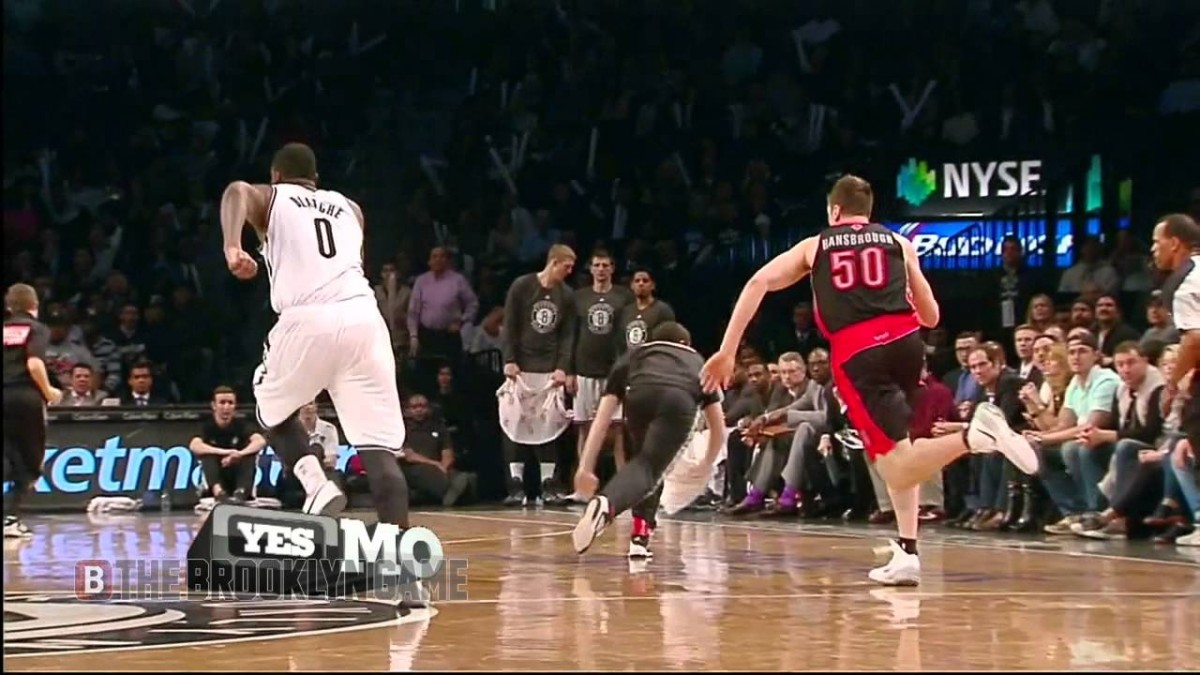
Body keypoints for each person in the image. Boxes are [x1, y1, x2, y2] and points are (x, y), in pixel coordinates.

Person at [699, 174, 1038, 586]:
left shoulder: (816, 245)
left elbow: (759, 283)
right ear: (869, 212)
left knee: (895, 468)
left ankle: (976, 436)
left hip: (859, 352)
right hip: (909, 345)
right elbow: (931, 316)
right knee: (902, 446)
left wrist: (727, 350)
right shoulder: (899, 243)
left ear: (834, 210)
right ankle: (908, 551)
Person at [219, 142, 412, 534]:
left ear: (275, 175)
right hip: (364, 319)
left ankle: (315, 484)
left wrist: (233, 246)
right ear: (316, 180)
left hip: (307, 316)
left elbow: (236, 190)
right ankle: (407, 570)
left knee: (269, 408)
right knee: (379, 449)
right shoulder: (351, 209)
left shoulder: (273, 197)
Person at [572, 322, 726, 560]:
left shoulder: (633, 355)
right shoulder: (697, 361)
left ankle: (640, 534)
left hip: (639, 395)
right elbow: (718, 426)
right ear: (685, 344)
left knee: (643, 464)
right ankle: (609, 505)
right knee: (649, 467)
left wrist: (585, 467)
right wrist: (707, 462)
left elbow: (602, 416)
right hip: (678, 401)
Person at [3, 284, 62, 538]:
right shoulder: (36, 329)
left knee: (8, 454)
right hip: (26, 398)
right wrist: (50, 392)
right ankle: (10, 518)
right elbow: (35, 363)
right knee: (31, 462)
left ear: (8, 306)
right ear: (34, 306)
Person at [1151, 213, 1200, 510]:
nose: (1153, 250)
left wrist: (1171, 387)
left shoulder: (1183, 283)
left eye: (1157, 243)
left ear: (1175, 243)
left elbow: (1194, 339)